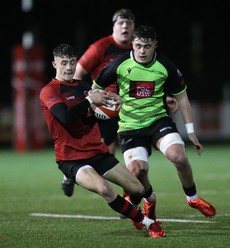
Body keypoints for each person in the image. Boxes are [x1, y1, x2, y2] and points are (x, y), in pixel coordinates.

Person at [92, 26, 216, 229]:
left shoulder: (165, 65)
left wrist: (191, 131)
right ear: (132, 44)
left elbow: (182, 96)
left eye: (147, 47)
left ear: (155, 46)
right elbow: (95, 88)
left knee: (178, 156)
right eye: (138, 46)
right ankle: (150, 200)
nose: (142, 51)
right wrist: (104, 102)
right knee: (138, 172)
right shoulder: (119, 64)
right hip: (130, 127)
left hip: (158, 121)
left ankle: (192, 197)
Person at [39, 43, 165, 238]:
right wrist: (90, 100)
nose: (69, 67)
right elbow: (65, 117)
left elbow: (97, 114)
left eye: (72, 62)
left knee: (137, 188)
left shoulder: (84, 87)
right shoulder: (49, 91)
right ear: (54, 64)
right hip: (71, 159)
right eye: (63, 63)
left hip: (97, 153)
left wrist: (113, 103)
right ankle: (148, 223)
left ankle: (134, 211)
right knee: (104, 189)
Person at [61, 8, 178, 197]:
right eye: (120, 23)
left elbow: (149, 80)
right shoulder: (100, 47)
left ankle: (129, 196)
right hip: (106, 108)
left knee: (130, 158)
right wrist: (87, 98)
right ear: (114, 26)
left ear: (134, 28)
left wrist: (165, 97)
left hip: (132, 108)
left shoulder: (140, 48)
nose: (125, 26)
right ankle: (72, 173)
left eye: (129, 23)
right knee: (102, 154)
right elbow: (77, 74)